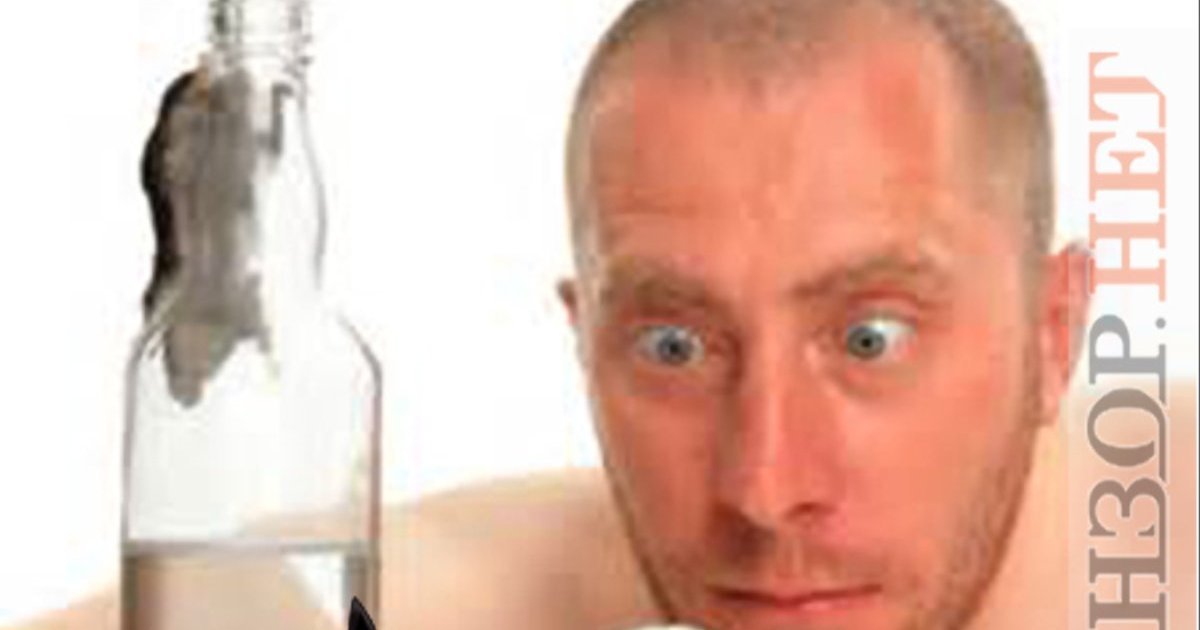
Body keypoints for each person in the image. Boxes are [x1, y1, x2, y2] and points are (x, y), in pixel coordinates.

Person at [11, 0, 1092, 628]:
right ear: (583, 342)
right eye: (673, 346)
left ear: (1053, 333)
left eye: (870, 339)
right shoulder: (556, 564)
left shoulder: (1150, 518)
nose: (764, 492)